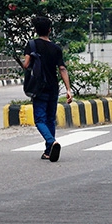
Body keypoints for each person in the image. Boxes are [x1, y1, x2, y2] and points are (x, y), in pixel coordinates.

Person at [21, 15, 73, 161]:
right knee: (50, 119)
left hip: (39, 88)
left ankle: (51, 142)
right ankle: (48, 151)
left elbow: (26, 65)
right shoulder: (56, 48)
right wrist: (68, 89)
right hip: (53, 87)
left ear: (35, 30)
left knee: (39, 120)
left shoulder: (32, 45)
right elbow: (62, 68)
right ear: (50, 30)